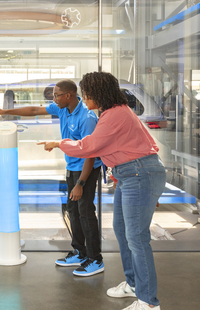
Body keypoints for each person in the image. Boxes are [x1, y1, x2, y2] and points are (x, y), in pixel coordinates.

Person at [39, 72, 166, 310]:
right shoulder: (114, 112)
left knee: (137, 239)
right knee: (122, 231)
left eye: (86, 93)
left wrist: (59, 143)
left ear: (98, 93)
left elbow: (90, 146)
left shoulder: (114, 114)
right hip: (131, 176)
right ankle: (133, 285)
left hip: (139, 175)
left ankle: (149, 303)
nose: (84, 97)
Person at [0, 79, 104, 277]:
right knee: (73, 211)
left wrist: (80, 183)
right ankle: (80, 252)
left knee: (85, 211)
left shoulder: (87, 118)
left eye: (56, 95)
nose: (53, 99)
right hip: (72, 166)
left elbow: (90, 154)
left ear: (68, 95)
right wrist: (4, 112)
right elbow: (35, 110)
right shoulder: (62, 109)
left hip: (86, 169)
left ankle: (96, 259)